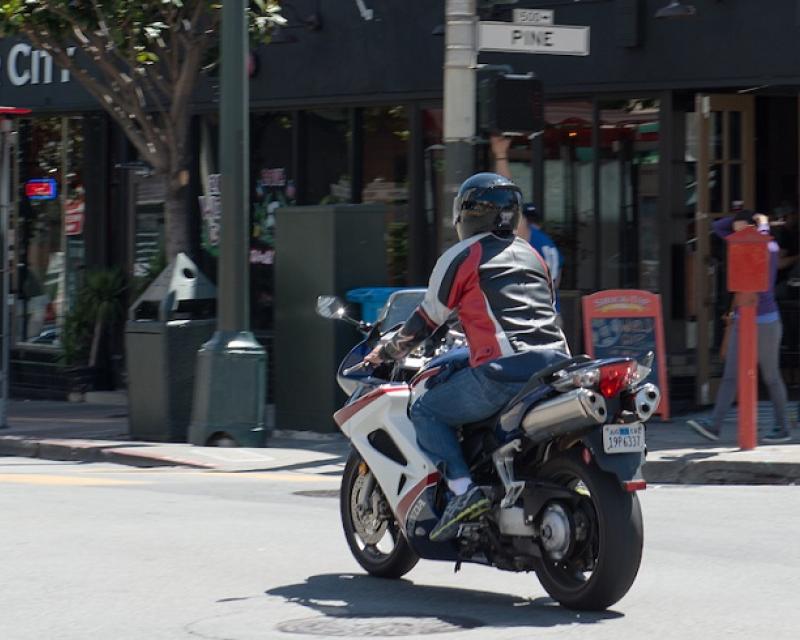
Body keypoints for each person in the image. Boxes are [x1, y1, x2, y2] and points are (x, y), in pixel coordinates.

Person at [364, 172, 569, 541]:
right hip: (557, 367)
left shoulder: (464, 254)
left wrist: (387, 350)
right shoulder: (533, 255)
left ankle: (462, 490)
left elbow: (427, 319)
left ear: (466, 214)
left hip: (504, 372)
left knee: (426, 408)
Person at [687, 209, 791, 444]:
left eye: (747, 231)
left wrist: (762, 223)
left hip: (765, 319)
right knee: (730, 375)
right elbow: (718, 228)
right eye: (738, 232)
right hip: (743, 317)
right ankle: (714, 425)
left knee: (771, 376)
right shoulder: (739, 241)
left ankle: (783, 427)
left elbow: (761, 242)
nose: (741, 235)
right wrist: (740, 222)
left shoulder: (769, 247)